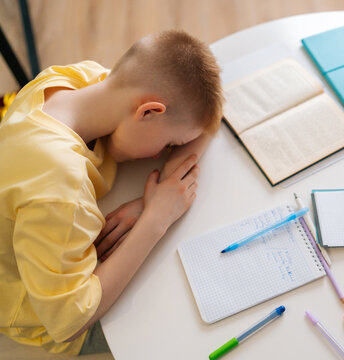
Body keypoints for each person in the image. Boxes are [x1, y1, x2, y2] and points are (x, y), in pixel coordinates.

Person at [0, 30, 223, 355]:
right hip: (32, 313)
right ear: (148, 112)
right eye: (170, 144)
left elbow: (208, 119)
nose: (164, 153)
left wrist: (155, 196)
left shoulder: (76, 80)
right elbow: (68, 321)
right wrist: (155, 219)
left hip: (48, 249)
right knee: (186, 324)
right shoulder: (61, 189)